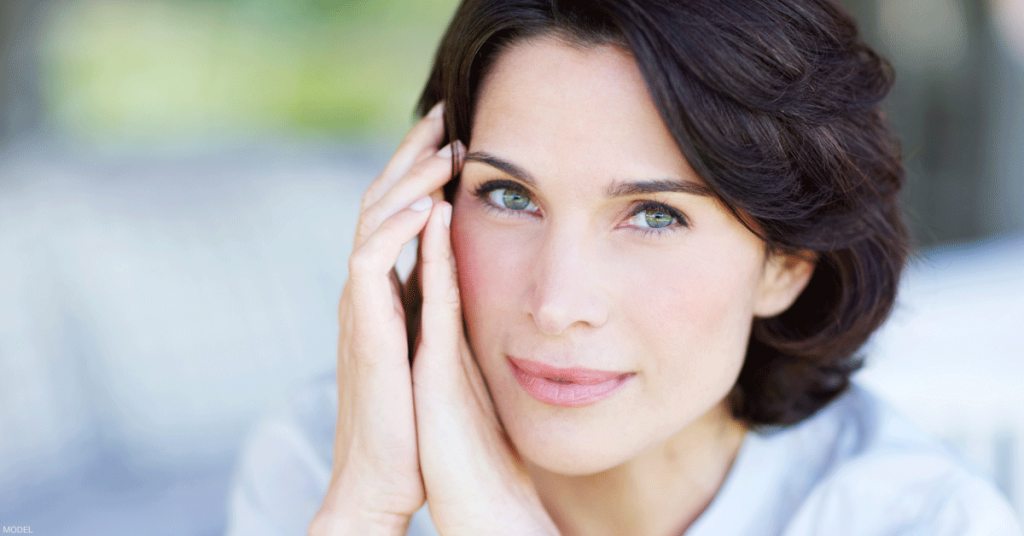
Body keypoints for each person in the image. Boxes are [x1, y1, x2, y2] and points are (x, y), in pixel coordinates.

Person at [226, 1, 1024, 534]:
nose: (557, 302)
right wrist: (365, 509)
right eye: (508, 195)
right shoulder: (331, 456)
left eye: (654, 215)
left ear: (786, 264)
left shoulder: (917, 521)